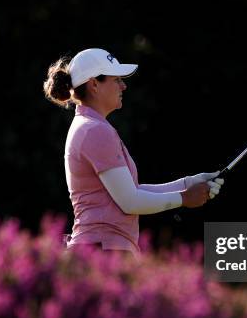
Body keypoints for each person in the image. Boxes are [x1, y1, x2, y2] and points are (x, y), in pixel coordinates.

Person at [43, 48, 224, 256]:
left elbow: (133, 191)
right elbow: (131, 202)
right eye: (116, 79)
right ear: (94, 84)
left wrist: (188, 183)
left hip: (102, 249)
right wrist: (184, 198)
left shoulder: (92, 126)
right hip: (103, 251)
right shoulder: (94, 130)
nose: (123, 85)